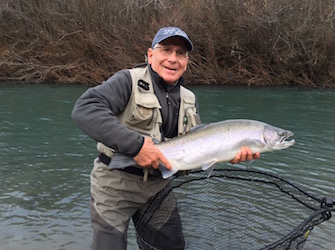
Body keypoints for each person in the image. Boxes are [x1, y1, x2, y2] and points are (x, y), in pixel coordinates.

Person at [71, 26, 260, 250]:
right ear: (151, 55)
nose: (173, 58)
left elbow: (192, 155)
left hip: (159, 186)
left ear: (186, 61)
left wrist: (226, 153)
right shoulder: (127, 81)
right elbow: (84, 110)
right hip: (114, 183)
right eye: (166, 50)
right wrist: (137, 146)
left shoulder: (189, 98)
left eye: (180, 53)